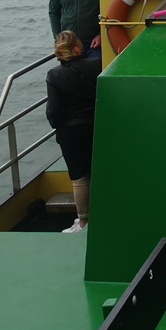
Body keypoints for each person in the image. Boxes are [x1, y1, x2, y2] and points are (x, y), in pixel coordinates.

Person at [45, 31, 100, 233]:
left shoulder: (55, 75)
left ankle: (84, 221)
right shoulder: (98, 65)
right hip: (97, 125)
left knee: (80, 178)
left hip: (71, 132)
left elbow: (54, 110)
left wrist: (57, 126)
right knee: (99, 171)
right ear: (78, 46)